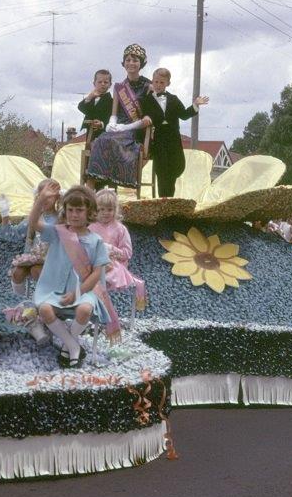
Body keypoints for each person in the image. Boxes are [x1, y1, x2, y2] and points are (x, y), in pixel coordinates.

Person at [28, 185, 118, 368]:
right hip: (53, 290)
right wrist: (41, 199)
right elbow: (34, 223)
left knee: (84, 310)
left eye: (79, 210)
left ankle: (68, 344)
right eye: (70, 210)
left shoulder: (96, 241)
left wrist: (77, 293)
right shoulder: (58, 232)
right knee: (45, 310)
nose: (74, 215)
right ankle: (72, 345)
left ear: (89, 212)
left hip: (84, 291)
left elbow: (96, 273)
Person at [85, 43, 153, 190]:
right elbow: (114, 113)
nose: (131, 63)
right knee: (101, 140)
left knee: (111, 141)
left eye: (135, 60)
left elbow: (148, 118)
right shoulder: (119, 86)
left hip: (135, 130)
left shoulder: (149, 86)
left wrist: (124, 127)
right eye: (128, 60)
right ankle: (92, 184)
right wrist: (112, 123)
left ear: (141, 63)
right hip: (118, 129)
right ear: (124, 63)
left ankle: (109, 186)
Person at [138, 67, 209, 198]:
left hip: (174, 139)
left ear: (168, 83)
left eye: (162, 82)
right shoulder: (146, 100)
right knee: (162, 171)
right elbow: (142, 114)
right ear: (152, 81)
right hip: (158, 139)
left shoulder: (173, 99)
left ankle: (169, 198)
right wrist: (145, 116)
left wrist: (195, 105)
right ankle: (164, 200)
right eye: (156, 82)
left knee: (177, 167)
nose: (158, 85)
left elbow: (184, 115)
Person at [0, 179, 61, 296]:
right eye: (42, 196)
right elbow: (13, 235)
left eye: (49, 197)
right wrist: (5, 214)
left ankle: (46, 299)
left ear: (57, 197)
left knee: (36, 270)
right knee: (17, 273)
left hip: (53, 260)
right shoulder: (33, 218)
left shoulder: (61, 218)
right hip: (33, 258)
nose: (45, 199)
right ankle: (19, 300)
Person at [88, 188, 147, 312]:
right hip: (93, 263)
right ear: (95, 210)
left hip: (114, 265)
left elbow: (127, 253)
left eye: (109, 209)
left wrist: (112, 249)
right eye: (101, 209)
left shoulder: (120, 229)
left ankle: (102, 309)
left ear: (115, 210)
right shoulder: (91, 227)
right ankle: (91, 308)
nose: (105, 213)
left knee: (103, 274)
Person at [77, 69, 114, 135]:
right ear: (94, 83)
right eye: (100, 82)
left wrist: (102, 124)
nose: (102, 84)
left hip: (105, 134)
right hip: (90, 134)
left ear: (110, 84)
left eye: (105, 82)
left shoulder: (112, 102)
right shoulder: (91, 99)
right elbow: (81, 107)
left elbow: (114, 120)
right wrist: (89, 97)